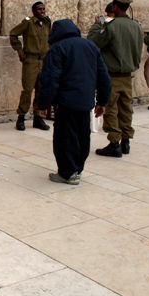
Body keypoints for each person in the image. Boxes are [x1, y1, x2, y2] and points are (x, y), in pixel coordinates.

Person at [37, 19, 111, 184]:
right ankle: (77, 169)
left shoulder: (57, 48)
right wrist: (102, 102)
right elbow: (104, 76)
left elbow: (50, 80)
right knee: (82, 137)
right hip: (85, 102)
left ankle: (67, 173)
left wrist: (43, 104)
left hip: (66, 102)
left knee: (65, 138)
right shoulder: (90, 46)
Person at [88, 0, 143, 158]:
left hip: (112, 74)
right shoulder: (136, 26)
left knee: (110, 108)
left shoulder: (111, 26)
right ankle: (126, 140)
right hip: (128, 74)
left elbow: (94, 42)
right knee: (126, 108)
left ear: (116, 7)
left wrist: (97, 26)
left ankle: (114, 143)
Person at [9, 1, 52, 131]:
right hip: (31, 60)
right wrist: (20, 51)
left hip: (43, 61)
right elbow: (13, 34)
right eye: (39, 9)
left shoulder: (47, 22)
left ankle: (38, 118)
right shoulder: (28, 22)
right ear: (33, 11)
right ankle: (21, 117)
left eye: (43, 9)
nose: (42, 11)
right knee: (27, 89)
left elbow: (49, 39)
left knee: (41, 89)